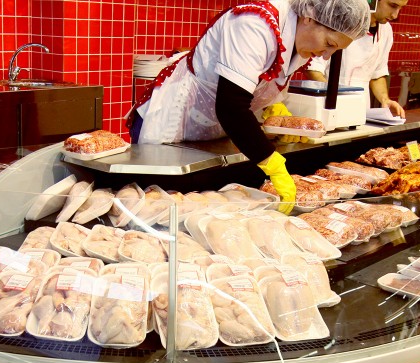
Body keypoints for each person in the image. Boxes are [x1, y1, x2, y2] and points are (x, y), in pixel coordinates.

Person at [128, 0, 370, 214]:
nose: (326, 56)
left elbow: (257, 85)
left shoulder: (301, 38)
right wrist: (273, 165)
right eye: (329, 43)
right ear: (310, 17)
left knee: (195, 210)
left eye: (335, 50)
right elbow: (231, 107)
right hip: (172, 122)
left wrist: (273, 108)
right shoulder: (255, 24)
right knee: (156, 209)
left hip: (211, 132)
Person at [306, 0, 407, 119]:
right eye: (392, 5)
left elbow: (377, 74)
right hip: (329, 105)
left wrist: (385, 99)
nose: (395, 15)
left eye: (400, 8)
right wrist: (334, 96)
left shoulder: (386, 30)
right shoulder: (342, 20)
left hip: (362, 109)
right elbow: (314, 68)